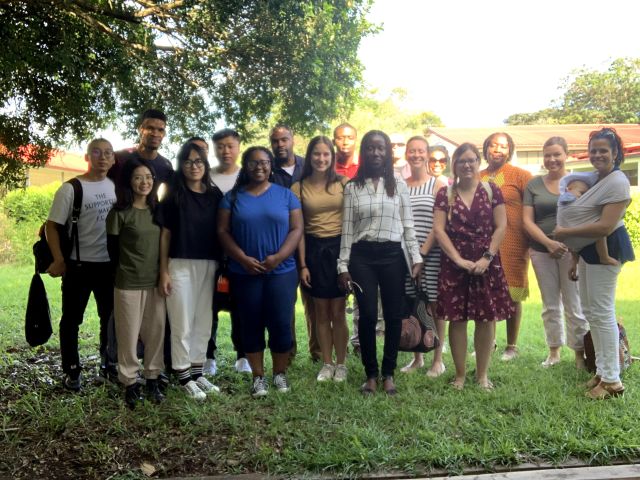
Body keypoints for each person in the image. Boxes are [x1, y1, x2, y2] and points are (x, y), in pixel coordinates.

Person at [338, 130, 422, 396]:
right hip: (362, 257)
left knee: (393, 316)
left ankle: (389, 373)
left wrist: (416, 257)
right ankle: (370, 374)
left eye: (381, 148)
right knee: (367, 316)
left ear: (387, 152)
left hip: (392, 257)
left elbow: (408, 226)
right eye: (371, 148)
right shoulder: (352, 187)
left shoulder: (398, 185)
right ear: (364, 152)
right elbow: (347, 230)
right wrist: (343, 265)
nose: (376, 153)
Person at [554, 128, 634, 399]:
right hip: (587, 250)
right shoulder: (596, 180)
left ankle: (612, 381)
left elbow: (605, 225)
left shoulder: (617, 182)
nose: (598, 155)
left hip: (607, 247)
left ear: (615, 153)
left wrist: (564, 234)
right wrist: (575, 256)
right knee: (591, 310)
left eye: (604, 150)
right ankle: (602, 372)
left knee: (602, 312)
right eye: (594, 150)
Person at [217, 147, 303, 397]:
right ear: (245, 166)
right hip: (244, 272)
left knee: (281, 323)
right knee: (250, 323)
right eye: (253, 163)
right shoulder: (232, 198)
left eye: (264, 162)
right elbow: (222, 232)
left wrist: (278, 257)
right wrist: (242, 258)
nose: (259, 167)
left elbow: (297, 230)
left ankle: (279, 374)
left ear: (271, 166)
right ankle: (258, 377)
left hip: (282, 271)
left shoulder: (286, 196)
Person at [433, 143, 513, 390]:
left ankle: (482, 376)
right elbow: (438, 230)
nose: (466, 165)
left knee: (486, 319)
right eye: (461, 161)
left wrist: (487, 257)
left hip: (486, 264)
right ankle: (459, 376)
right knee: (457, 320)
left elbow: (501, 226)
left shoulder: (492, 190)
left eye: (471, 160)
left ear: (478, 163)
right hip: (455, 265)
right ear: (453, 165)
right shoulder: (445, 194)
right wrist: (457, 259)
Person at [45, 138, 117, 391]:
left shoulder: (117, 187)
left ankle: (108, 366)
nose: (103, 157)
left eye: (108, 153)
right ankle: (72, 371)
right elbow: (51, 226)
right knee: (71, 320)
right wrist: (58, 259)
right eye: (96, 152)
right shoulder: (71, 189)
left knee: (109, 319)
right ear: (87, 157)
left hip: (109, 267)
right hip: (78, 266)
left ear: (113, 159)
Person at [156, 142, 223, 400]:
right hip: (179, 263)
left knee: (203, 321)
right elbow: (164, 235)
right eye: (188, 161)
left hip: (209, 264)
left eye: (198, 161)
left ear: (205, 165)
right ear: (180, 165)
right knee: (182, 321)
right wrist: (163, 271)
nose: (193, 166)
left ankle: (198, 372)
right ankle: (183, 375)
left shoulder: (214, 195)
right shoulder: (173, 195)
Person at [522, 137, 589, 369]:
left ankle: (580, 354)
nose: (552, 159)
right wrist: (549, 244)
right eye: (548, 155)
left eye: (557, 154)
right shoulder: (533, 185)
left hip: (571, 252)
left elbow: (586, 216)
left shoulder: (578, 182)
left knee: (574, 303)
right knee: (550, 304)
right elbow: (527, 222)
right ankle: (554, 352)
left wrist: (568, 244)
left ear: (566, 155)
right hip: (541, 251)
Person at [106, 158, 166, 408]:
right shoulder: (119, 212)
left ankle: (153, 378)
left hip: (156, 283)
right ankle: (130, 382)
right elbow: (112, 250)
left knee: (155, 333)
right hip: (128, 282)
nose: (145, 182)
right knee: (128, 335)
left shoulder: (159, 211)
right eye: (138, 177)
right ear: (129, 182)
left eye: (149, 178)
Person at [292, 136, 349, 382]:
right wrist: (303, 264)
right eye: (317, 154)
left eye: (326, 154)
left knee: (338, 311)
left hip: (339, 248)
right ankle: (326, 363)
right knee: (320, 312)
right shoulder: (298, 187)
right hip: (313, 250)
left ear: (332, 157)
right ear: (309, 156)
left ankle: (342, 364)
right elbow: (299, 230)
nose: (321, 159)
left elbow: (352, 224)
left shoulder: (344, 183)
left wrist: (347, 260)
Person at [203, 128, 251, 374]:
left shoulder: (248, 177)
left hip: (242, 249)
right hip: (211, 250)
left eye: (230, 145)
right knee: (209, 304)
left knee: (241, 303)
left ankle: (243, 354)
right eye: (220, 146)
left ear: (239, 146)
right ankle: (208, 355)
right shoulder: (206, 177)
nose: (226, 151)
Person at [480, 132, 532, 361]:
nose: (498, 149)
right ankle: (488, 342)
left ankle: (512, 345)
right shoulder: (478, 176)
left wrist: (533, 242)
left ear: (509, 150)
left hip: (514, 243)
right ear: (486, 149)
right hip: (485, 244)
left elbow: (533, 211)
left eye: (503, 146)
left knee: (514, 293)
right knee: (487, 293)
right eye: (493, 145)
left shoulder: (521, 176)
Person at [399, 136, 446, 377]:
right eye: (412, 151)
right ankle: (417, 356)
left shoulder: (438, 184)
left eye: (421, 151)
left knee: (434, 304)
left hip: (431, 253)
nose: (416, 155)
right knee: (411, 303)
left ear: (427, 154)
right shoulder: (400, 184)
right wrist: (411, 255)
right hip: (406, 255)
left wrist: (422, 254)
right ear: (407, 154)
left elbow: (439, 224)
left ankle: (438, 359)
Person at [110, 109, 174, 194]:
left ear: (164, 134)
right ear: (141, 129)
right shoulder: (119, 158)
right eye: (150, 128)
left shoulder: (166, 165)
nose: (155, 134)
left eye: (160, 130)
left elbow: (168, 197)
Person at [558, 175, 617, 266]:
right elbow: (567, 203)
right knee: (599, 233)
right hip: (568, 234)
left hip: (570, 238)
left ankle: (575, 258)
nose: (584, 197)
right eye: (581, 193)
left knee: (598, 232)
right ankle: (604, 257)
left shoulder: (569, 194)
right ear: (568, 189)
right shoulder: (567, 195)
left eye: (586, 194)